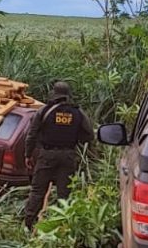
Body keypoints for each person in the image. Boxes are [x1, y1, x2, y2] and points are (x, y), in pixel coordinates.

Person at [23, 80, 94, 231]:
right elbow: (89, 135)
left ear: (54, 94)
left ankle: (28, 224)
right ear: (68, 96)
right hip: (68, 156)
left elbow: (31, 135)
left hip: (47, 155)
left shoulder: (44, 111)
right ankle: (63, 227)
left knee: (37, 191)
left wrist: (28, 155)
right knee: (64, 194)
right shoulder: (78, 112)